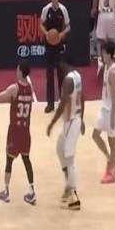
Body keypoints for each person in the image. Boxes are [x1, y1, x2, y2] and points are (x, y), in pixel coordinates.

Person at [0, 61, 36, 205]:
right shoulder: (30, 89)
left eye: (17, 68)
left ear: (20, 71)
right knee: (26, 159)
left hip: (15, 130)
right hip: (26, 130)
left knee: (9, 160)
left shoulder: (14, 89)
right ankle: (32, 191)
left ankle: (6, 191)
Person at [47, 55, 85, 211]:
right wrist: (82, 119)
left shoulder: (68, 80)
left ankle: (74, 197)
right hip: (73, 120)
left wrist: (51, 123)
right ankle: (69, 185)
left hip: (71, 122)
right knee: (59, 148)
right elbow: (82, 98)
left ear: (63, 64)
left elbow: (62, 105)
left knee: (69, 158)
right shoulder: (78, 76)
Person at [40, 0, 71, 113]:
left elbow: (68, 26)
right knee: (49, 74)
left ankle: (62, 102)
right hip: (48, 45)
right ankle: (50, 103)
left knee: (60, 74)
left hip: (59, 45)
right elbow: (41, 24)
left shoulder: (63, 10)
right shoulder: (46, 9)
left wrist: (61, 34)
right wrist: (47, 34)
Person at [92, 42, 115, 184]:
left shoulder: (113, 72)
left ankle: (111, 172)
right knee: (95, 135)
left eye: (103, 53)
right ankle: (109, 158)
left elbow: (114, 97)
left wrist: (113, 116)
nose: (101, 55)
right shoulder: (106, 67)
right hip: (104, 108)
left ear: (109, 54)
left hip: (111, 110)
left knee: (111, 141)